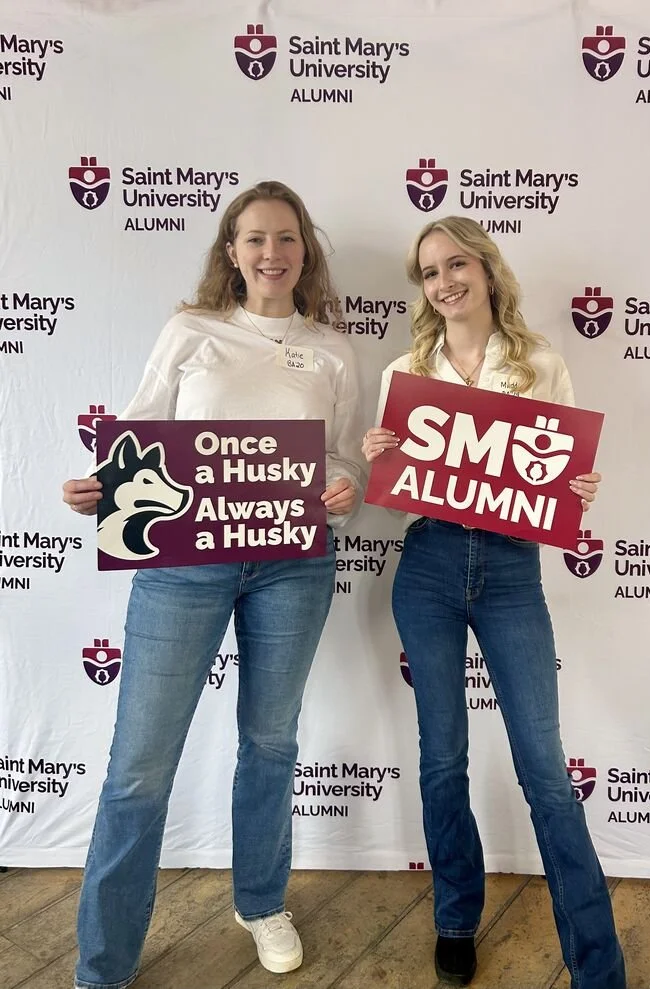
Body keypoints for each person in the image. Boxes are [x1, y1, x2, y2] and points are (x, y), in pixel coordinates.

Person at [63, 180, 363, 989]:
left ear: (307, 251)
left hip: (294, 563)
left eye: (288, 238)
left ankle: (261, 901)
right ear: (231, 251)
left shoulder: (332, 348)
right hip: (182, 561)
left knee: (271, 743)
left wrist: (344, 486)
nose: (273, 253)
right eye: (256, 238)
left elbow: (343, 457)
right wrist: (98, 483)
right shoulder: (191, 330)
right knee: (139, 764)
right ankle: (104, 962)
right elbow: (140, 426)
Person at [363, 217, 625, 988]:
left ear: (484, 266)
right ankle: (454, 919)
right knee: (442, 758)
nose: (443, 280)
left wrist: (578, 487)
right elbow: (391, 496)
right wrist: (380, 456)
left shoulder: (539, 361)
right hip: (430, 562)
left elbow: (556, 482)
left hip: (513, 569)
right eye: (428, 271)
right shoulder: (404, 370)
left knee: (545, 768)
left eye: (455, 263)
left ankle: (597, 963)